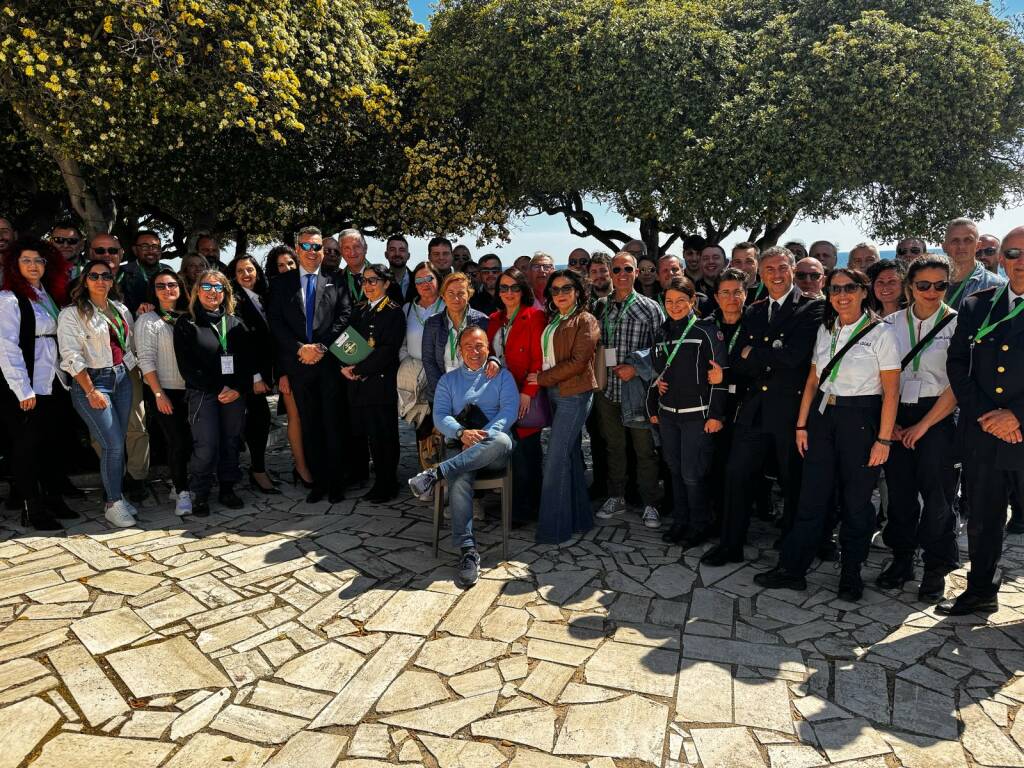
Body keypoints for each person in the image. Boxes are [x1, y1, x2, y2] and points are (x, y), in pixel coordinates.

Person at [756, 268, 900, 600]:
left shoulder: (882, 333)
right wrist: (802, 425)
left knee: (856, 503)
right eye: (835, 289)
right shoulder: (826, 329)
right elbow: (811, 381)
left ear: (864, 291)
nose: (842, 295)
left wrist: (884, 439)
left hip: (861, 421)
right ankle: (793, 569)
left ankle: (851, 574)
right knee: (811, 498)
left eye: (850, 288)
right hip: (823, 417)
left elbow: (891, 392)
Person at [703, 246, 825, 566]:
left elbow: (794, 357)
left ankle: (793, 549)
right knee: (736, 473)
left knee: (792, 481)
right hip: (756, 407)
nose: (776, 274)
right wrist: (764, 353)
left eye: (782, 268)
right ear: (761, 272)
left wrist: (757, 352)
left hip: (791, 410)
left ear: (793, 269)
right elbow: (738, 359)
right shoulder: (756, 310)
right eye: (769, 269)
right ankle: (731, 544)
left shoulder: (812, 308)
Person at [941, 226, 1024, 615]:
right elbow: (958, 364)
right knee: (983, 519)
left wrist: (1016, 416)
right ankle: (980, 590)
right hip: (984, 434)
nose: (1019, 262)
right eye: (1011, 254)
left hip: (1022, 432)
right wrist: (984, 415)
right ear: (1001, 259)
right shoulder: (978, 305)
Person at [408, 326, 517, 587]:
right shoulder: (448, 381)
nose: (474, 351)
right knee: (459, 478)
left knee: (502, 439)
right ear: (459, 350)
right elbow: (440, 416)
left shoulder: (502, 377)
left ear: (489, 349)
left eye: (479, 346)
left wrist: (479, 438)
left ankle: (436, 473)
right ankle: (468, 551)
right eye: (468, 346)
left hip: (492, 451)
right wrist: (462, 433)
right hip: (462, 447)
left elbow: (509, 412)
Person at [878, 255, 959, 601]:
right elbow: (880, 378)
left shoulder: (958, 324)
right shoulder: (889, 324)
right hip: (896, 415)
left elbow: (958, 384)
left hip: (937, 416)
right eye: (923, 285)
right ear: (910, 287)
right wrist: (892, 421)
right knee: (899, 494)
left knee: (938, 495)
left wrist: (924, 425)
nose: (931, 291)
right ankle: (902, 558)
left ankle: (935, 567)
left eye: (940, 285)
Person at [267, 226, 352, 503]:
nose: (313, 252)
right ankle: (319, 482)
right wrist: (299, 349)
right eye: (307, 246)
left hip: (328, 365)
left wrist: (321, 347)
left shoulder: (336, 279)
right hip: (299, 366)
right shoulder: (281, 283)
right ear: (297, 248)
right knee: (310, 426)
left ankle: (337, 483)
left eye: (318, 247)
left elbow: (344, 315)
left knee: (333, 424)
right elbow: (276, 322)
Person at [58, 259, 139, 527]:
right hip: (92, 382)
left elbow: (127, 346)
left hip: (120, 378)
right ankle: (112, 503)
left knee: (119, 442)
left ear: (112, 280)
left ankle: (117, 495)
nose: (101, 280)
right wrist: (90, 390)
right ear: (85, 280)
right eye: (94, 276)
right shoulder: (72, 313)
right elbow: (70, 356)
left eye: (106, 275)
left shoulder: (121, 309)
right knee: (112, 444)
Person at [0, 238, 74, 529]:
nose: (33, 265)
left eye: (38, 260)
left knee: (51, 443)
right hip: (25, 384)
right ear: (15, 265)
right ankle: (31, 506)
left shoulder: (47, 295)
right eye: (26, 260)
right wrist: (22, 389)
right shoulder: (8, 299)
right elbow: (6, 347)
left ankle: (53, 497)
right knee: (26, 446)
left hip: (53, 380)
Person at [647, 276, 726, 545]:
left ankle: (699, 524)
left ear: (693, 300)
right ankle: (681, 522)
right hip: (669, 414)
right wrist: (655, 399)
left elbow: (720, 376)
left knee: (693, 473)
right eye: (669, 301)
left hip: (698, 414)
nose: (675, 306)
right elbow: (658, 372)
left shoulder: (705, 330)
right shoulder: (662, 332)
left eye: (681, 300)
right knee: (675, 470)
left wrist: (716, 414)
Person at [527, 269, 599, 543]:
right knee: (567, 457)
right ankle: (580, 519)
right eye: (554, 290)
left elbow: (580, 362)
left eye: (566, 288)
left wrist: (542, 378)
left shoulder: (586, 320)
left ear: (578, 291)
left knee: (555, 461)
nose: (560, 294)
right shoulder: (555, 319)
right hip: (556, 394)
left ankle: (554, 530)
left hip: (574, 395)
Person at [173, 270, 253, 515]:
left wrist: (238, 389)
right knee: (206, 446)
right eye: (207, 286)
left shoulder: (236, 323)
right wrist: (220, 388)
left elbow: (248, 362)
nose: (212, 292)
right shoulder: (186, 323)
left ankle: (227, 488)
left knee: (230, 442)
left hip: (234, 395)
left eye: (218, 288)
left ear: (225, 293)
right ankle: (200, 493)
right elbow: (187, 367)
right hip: (203, 394)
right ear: (197, 290)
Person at [594, 251, 665, 527]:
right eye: (616, 270)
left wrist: (636, 367)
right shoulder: (601, 307)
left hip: (637, 391)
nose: (621, 274)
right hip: (607, 390)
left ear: (636, 272)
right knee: (614, 447)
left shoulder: (650, 307)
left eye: (627, 269)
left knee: (644, 450)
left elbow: (662, 348)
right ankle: (616, 496)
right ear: (610, 274)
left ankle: (650, 503)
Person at [341, 264, 406, 502]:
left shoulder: (393, 311)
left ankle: (387, 483)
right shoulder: (359, 309)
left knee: (383, 437)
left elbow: (387, 351)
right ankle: (365, 477)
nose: (367, 286)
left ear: (386, 283)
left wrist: (358, 369)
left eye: (373, 281)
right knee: (363, 434)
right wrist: (344, 366)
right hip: (357, 384)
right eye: (364, 281)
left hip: (379, 384)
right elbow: (346, 341)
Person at [486, 267, 545, 522]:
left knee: (525, 452)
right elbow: (488, 352)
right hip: (498, 394)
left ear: (523, 290)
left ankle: (527, 508)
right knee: (507, 450)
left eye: (514, 287)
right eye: (503, 288)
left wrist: (527, 393)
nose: (508, 293)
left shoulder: (534, 316)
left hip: (523, 394)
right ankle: (512, 504)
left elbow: (538, 360)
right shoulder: (494, 319)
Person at [135, 269, 193, 515]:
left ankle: (182, 481)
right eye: (160, 286)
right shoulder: (148, 320)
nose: (167, 289)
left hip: (193, 390)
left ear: (180, 287)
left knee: (191, 442)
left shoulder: (191, 315)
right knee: (177, 442)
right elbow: (145, 360)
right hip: (165, 392)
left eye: (172, 284)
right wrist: (159, 394)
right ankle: (182, 492)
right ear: (153, 290)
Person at [227, 255, 279, 495]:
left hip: (265, 370)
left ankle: (258, 468)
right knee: (257, 421)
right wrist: (256, 376)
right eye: (240, 271)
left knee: (261, 421)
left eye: (250, 269)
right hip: (248, 374)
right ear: (234, 276)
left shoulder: (263, 298)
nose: (246, 274)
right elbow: (242, 342)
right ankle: (256, 471)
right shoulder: (235, 302)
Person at [262, 245, 312, 486]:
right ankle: (301, 468)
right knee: (296, 418)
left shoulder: (306, 287)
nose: (287, 268)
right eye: (281, 265)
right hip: (287, 366)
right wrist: (281, 373)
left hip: (310, 363)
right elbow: (275, 339)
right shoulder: (273, 293)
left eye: (290, 264)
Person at [400, 262, 446, 465]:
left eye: (429, 278)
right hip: (415, 378)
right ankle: (427, 477)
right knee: (422, 427)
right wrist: (411, 367)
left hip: (443, 377)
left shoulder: (448, 305)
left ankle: (446, 476)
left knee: (442, 428)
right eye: (419, 280)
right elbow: (401, 344)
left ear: (438, 280)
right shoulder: (408, 308)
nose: (425, 284)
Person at [422, 272, 490, 402]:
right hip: (441, 394)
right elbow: (429, 360)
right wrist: (444, 393)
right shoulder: (432, 323)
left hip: (475, 394)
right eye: (451, 293)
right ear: (443, 296)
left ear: (469, 295)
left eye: (461, 293)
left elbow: (488, 355)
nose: (456, 298)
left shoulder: (483, 321)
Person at [943, 217, 1005, 310]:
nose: (961, 246)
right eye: (955, 240)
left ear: (978, 246)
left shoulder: (997, 286)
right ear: (944, 247)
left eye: (968, 240)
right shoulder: (929, 282)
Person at [121, 230, 167, 315]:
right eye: (145, 246)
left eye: (155, 247)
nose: (151, 251)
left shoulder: (168, 270)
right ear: (135, 250)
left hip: (167, 321)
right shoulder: (124, 272)